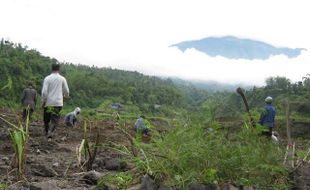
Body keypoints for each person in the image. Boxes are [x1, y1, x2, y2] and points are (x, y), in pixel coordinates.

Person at [41, 63, 69, 141]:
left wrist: (43, 101)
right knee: (54, 119)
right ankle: (50, 135)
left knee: (46, 119)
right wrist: (65, 97)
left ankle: (47, 133)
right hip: (57, 104)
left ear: (51, 68)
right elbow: (66, 91)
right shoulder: (62, 79)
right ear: (59, 69)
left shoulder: (47, 78)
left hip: (49, 103)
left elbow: (44, 92)